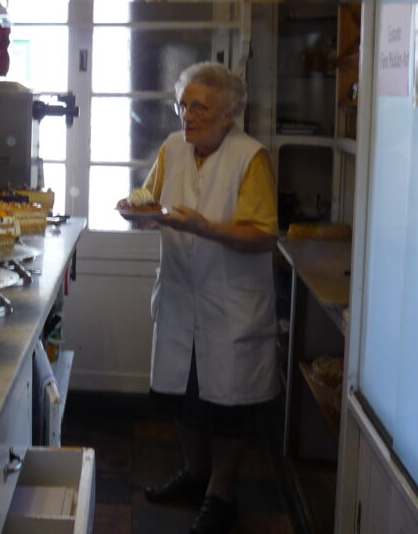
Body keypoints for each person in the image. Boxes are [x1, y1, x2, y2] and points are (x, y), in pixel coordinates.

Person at [118, 62, 279, 534]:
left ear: (229, 114)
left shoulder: (250, 158)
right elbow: (150, 198)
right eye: (183, 105)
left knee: (229, 406)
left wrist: (201, 227)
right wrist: (137, 211)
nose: (187, 115)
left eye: (200, 107)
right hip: (180, 298)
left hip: (230, 306)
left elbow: (264, 236)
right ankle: (194, 474)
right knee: (183, 397)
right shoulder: (173, 148)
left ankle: (221, 494)